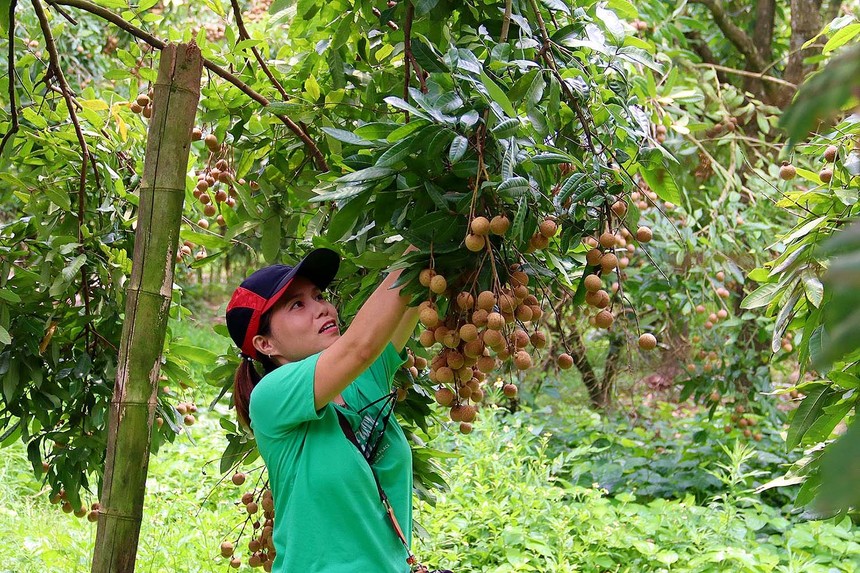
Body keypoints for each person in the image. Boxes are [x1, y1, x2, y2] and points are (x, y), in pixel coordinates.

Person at [225, 246, 421, 573]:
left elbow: (417, 290)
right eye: (297, 304)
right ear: (265, 344)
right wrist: (420, 244)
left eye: (318, 296)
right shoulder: (270, 398)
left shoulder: (364, 378)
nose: (323, 309)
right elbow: (359, 347)